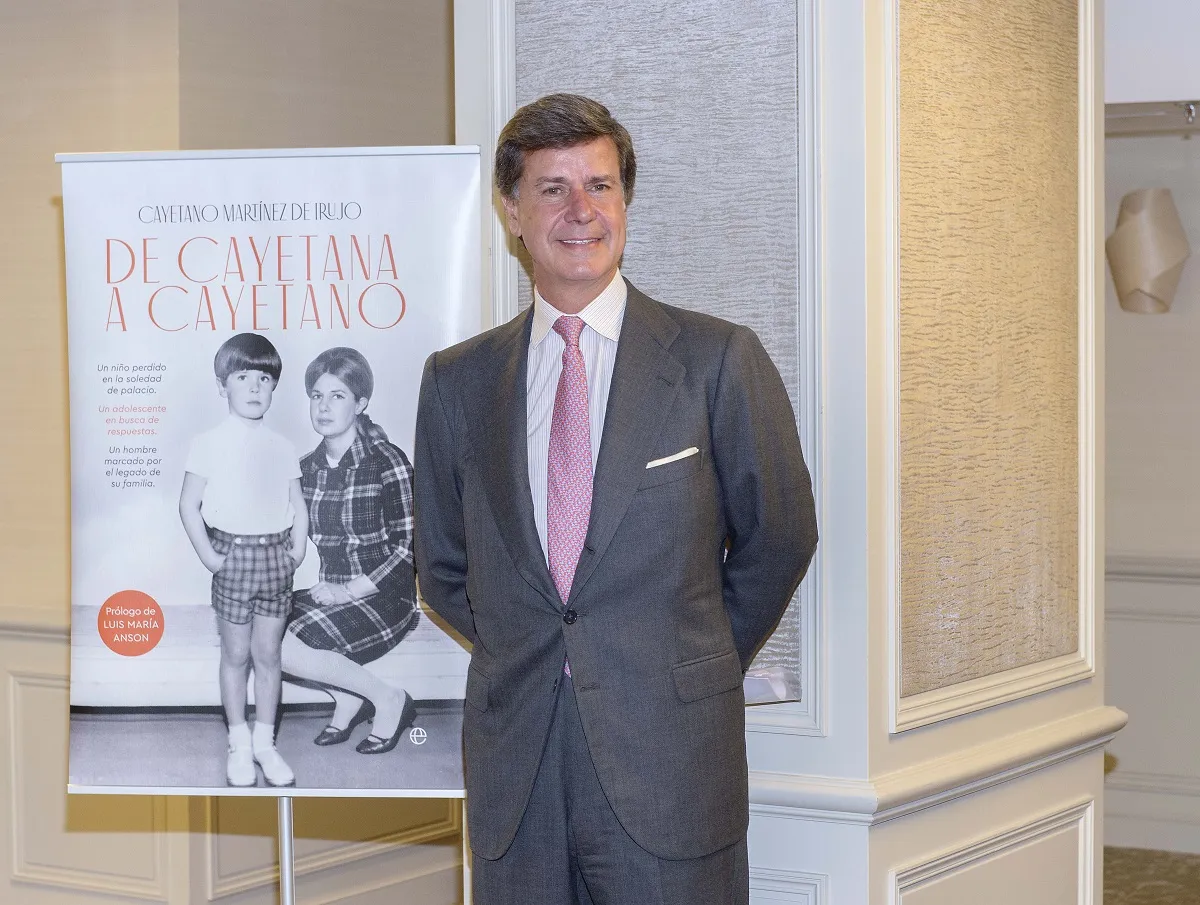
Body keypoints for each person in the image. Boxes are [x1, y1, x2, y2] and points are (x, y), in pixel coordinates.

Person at [414, 94, 818, 905]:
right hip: (516, 774)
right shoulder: (458, 381)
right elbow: (445, 567)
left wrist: (686, 658)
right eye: (554, 188)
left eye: (600, 185)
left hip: (670, 766)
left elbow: (781, 535)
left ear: (625, 202)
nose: (581, 210)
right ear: (512, 211)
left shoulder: (715, 361)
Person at [179, 332, 308, 788]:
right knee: (236, 654)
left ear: (273, 386)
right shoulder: (208, 443)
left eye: (263, 378)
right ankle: (238, 744)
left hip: (275, 559)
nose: (254, 387)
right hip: (232, 558)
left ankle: (264, 745)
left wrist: (297, 549)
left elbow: (298, 503)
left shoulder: (282, 446)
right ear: (223, 386)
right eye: (242, 377)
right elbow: (188, 506)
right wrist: (212, 558)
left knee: (268, 654)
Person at [281, 346, 419, 756]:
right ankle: (348, 696)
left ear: (360, 402)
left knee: (279, 643)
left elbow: (410, 550)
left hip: (384, 598)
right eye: (317, 395)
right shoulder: (304, 469)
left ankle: (388, 698)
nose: (323, 407)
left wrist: (349, 591)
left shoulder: (387, 462)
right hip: (330, 594)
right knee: (255, 623)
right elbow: (288, 538)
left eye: (337, 395)